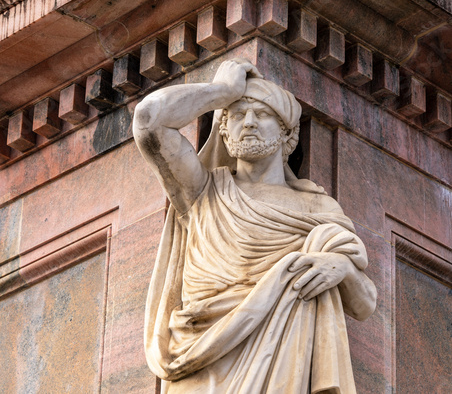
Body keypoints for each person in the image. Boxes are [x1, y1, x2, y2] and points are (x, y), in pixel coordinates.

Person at [133, 58, 377, 394]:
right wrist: (222, 92)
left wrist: (343, 270)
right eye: (236, 115)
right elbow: (148, 121)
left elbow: (364, 305)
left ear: (287, 135)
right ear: (224, 129)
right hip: (199, 362)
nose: (248, 123)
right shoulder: (202, 192)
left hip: (282, 365)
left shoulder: (317, 209)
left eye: (261, 114)